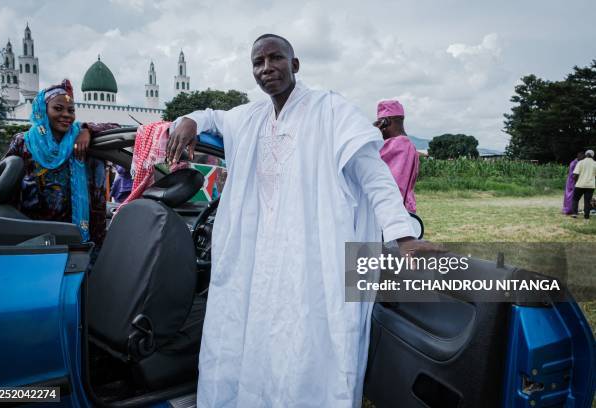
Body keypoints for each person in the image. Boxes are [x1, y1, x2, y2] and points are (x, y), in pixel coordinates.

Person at [167, 34, 434, 408]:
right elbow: (213, 117)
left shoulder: (331, 111)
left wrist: (403, 236)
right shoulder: (251, 117)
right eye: (258, 63)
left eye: (275, 58)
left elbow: (374, 176)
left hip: (311, 261)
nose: (266, 69)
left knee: (304, 345)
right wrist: (189, 120)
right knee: (254, 342)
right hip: (257, 264)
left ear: (295, 64)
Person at [4, 79, 118, 246]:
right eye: (58, 108)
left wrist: (87, 129)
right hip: (35, 234)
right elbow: (5, 182)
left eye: (71, 110)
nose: (66, 114)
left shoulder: (80, 139)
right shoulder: (24, 142)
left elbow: (115, 130)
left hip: (78, 235)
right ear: (43, 110)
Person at [374, 100, 420, 213]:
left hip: (394, 211)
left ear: (386, 121)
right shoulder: (407, 144)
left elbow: (394, 185)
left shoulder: (398, 145)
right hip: (404, 209)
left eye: (380, 122)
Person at [572, 149, 596, 220]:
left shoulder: (580, 162)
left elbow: (575, 174)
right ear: (592, 156)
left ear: (586, 155)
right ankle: (586, 217)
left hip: (580, 184)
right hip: (590, 186)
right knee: (587, 201)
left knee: (575, 199)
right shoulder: (595, 163)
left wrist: (576, 182)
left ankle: (575, 214)